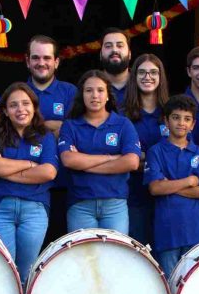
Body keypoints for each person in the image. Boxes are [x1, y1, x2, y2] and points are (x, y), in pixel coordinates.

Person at [0, 83, 58, 285]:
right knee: (2, 273)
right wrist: (30, 164)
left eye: (26, 103)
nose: (20, 109)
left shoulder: (45, 136)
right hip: (0, 208)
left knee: (26, 275)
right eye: (13, 105)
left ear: (34, 107)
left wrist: (5, 170)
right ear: (5, 111)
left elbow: (49, 172)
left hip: (34, 210)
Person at [58, 70, 140, 233]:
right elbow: (68, 160)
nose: (95, 95)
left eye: (100, 90)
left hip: (115, 205)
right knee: (84, 251)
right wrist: (111, 158)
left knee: (114, 250)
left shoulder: (123, 124)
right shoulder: (70, 125)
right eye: (89, 90)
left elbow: (132, 162)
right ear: (82, 95)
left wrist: (84, 164)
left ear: (108, 95)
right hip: (80, 204)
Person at [145, 94, 199, 276]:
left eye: (187, 119)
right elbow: (155, 188)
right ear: (166, 121)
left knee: (195, 283)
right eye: (176, 117)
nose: (181, 123)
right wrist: (189, 181)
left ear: (193, 124)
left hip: (196, 229)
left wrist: (169, 185)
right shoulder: (155, 151)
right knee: (170, 283)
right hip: (168, 230)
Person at [25, 35, 76, 246]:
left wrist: (32, 127)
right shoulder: (18, 92)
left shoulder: (70, 92)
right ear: (27, 61)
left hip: (65, 186)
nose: (41, 63)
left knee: (63, 252)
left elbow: (74, 132)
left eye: (47, 58)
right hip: (28, 188)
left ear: (56, 62)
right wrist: (54, 126)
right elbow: (12, 133)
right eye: (36, 57)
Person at [122, 54, 169, 245]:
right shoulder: (122, 114)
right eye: (142, 72)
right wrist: (156, 160)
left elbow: (180, 153)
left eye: (153, 72)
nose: (147, 77)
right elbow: (122, 158)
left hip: (167, 196)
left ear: (161, 77)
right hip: (134, 196)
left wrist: (142, 157)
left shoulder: (172, 112)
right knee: (138, 252)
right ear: (134, 77)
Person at [99, 28, 132, 105]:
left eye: (120, 46)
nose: (114, 50)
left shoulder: (143, 84)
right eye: (108, 46)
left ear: (130, 54)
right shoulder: (90, 87)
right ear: (100, 54)